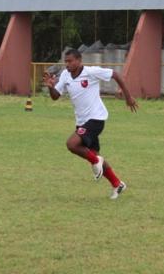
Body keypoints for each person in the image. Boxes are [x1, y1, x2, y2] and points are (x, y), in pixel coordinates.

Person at [43, 49, 138, 199]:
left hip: (96, 118)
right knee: (95, 155)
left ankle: (96, 161)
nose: (67, 64)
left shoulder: (91, 72)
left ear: (79, 60)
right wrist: (50, 86)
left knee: (72, 144)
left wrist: (127, 96)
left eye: (70, 61)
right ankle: (117, 184)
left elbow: (115, 74)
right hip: (81, 121)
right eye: (65, 61)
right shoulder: (66, 75)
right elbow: (56, 96)